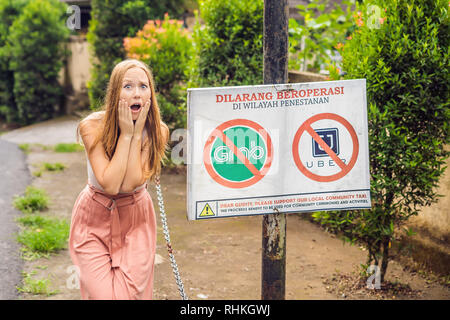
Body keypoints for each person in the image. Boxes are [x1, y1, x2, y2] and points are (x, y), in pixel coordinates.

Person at [69, 59, 169, 300]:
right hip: (93, 219)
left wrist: (136, 135)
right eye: (128, 86)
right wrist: (126, 134)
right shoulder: (92, 125)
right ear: (115, 92)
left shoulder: (158, 131)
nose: (136, 93)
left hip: (136, 220)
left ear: (151, 94)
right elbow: (111, 184)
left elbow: (130, 183)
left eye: (143, 87)